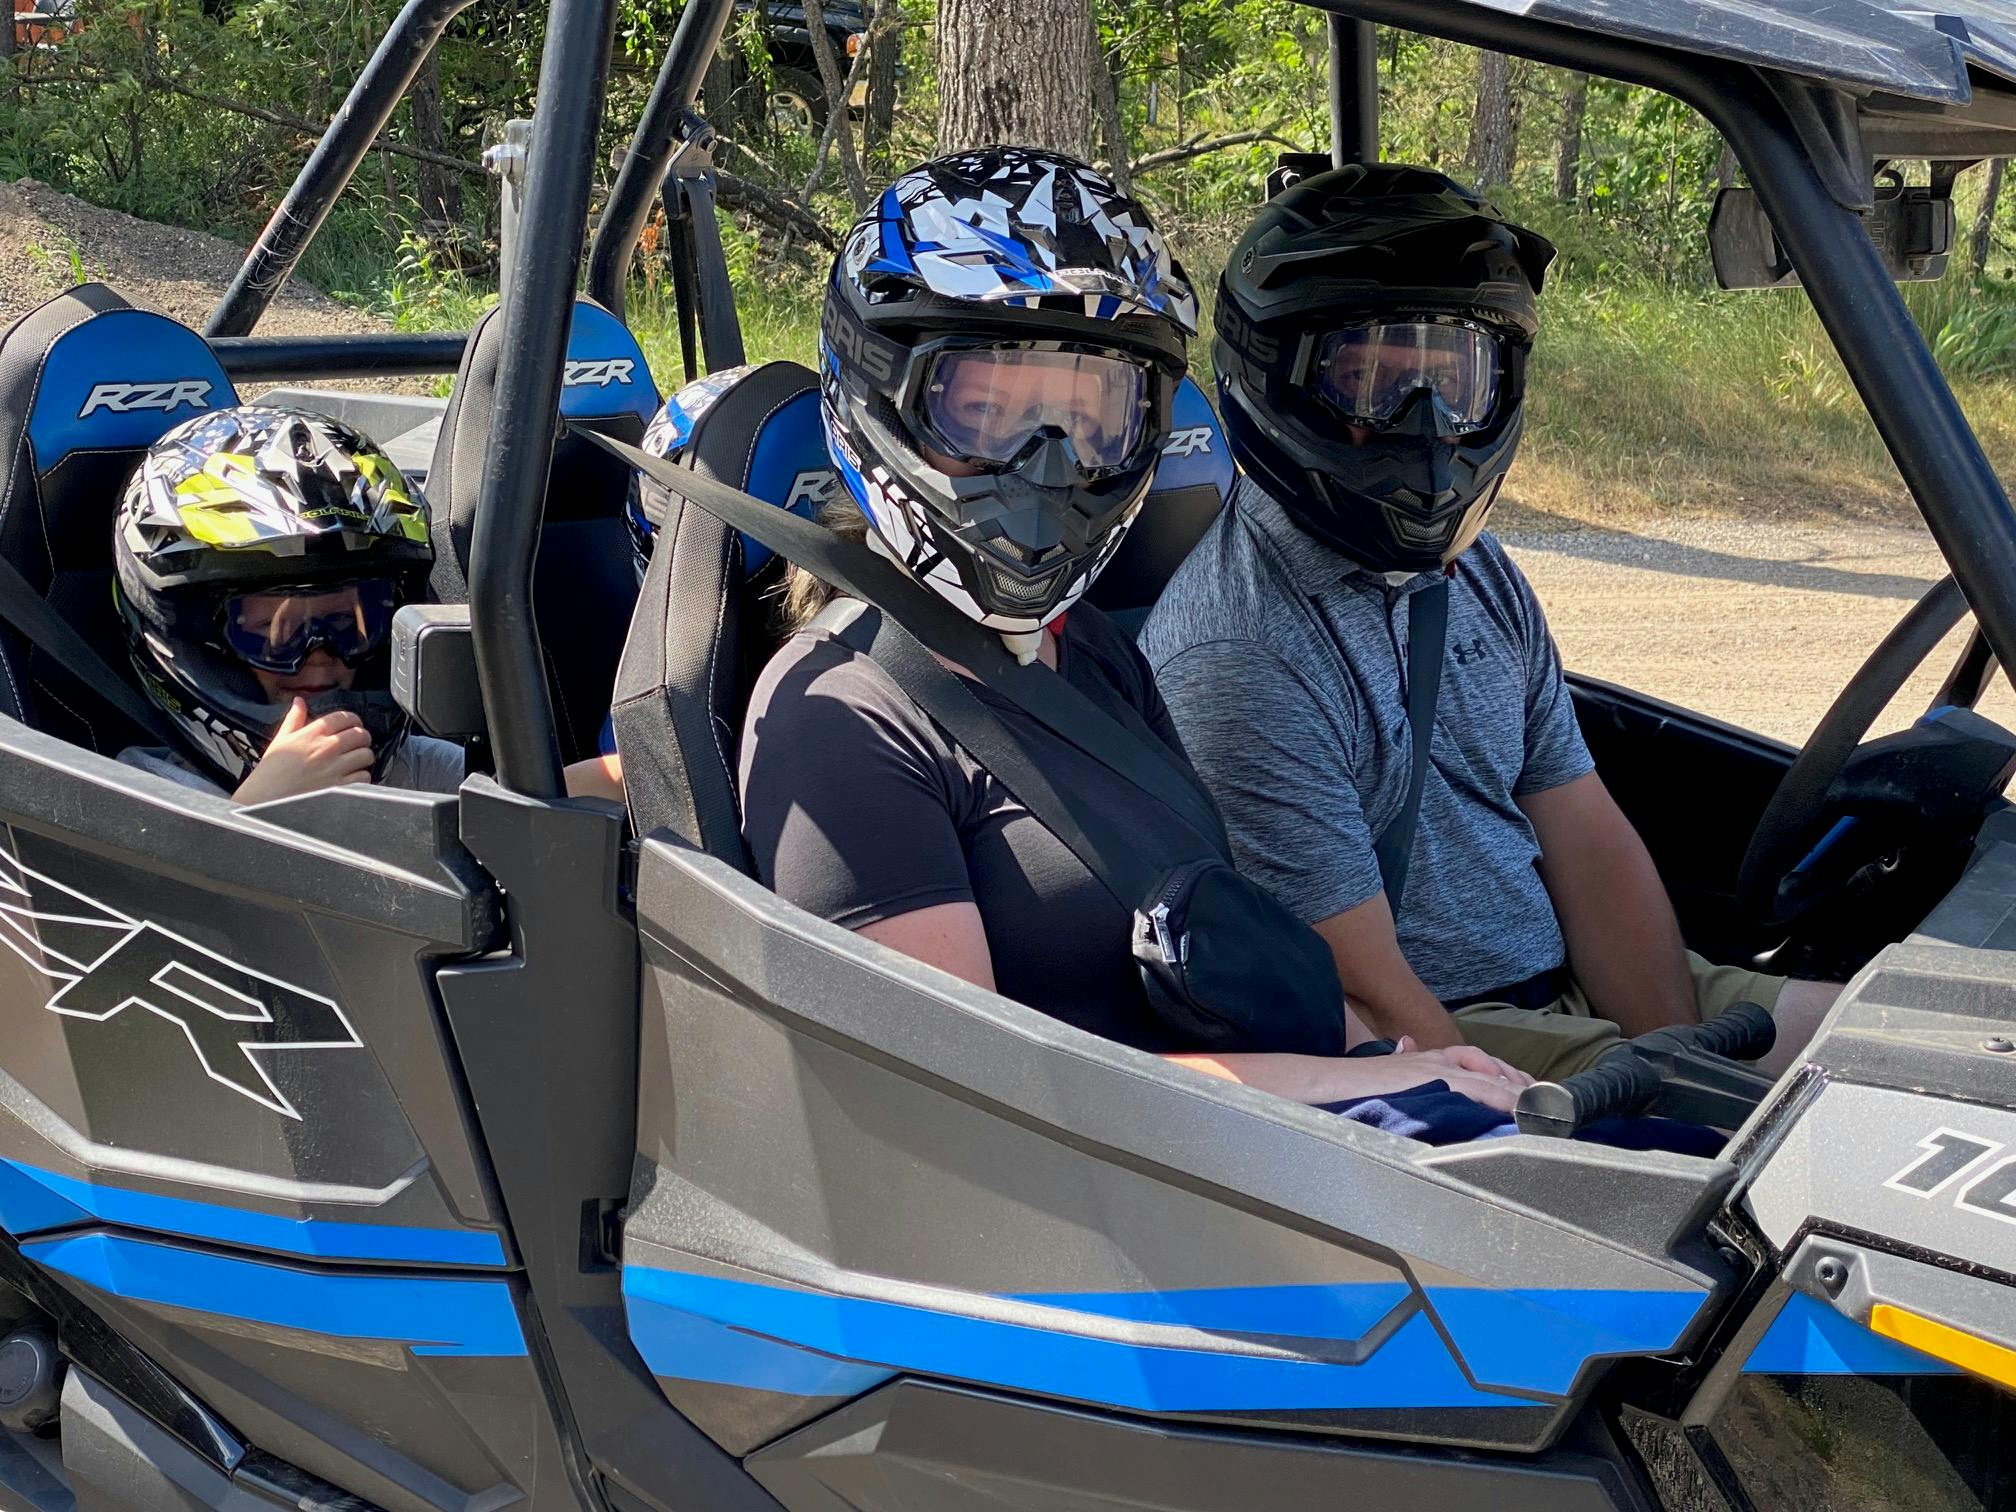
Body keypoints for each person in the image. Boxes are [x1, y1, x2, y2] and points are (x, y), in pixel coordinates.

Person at [732, 147, 1538, 1131]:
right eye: (990, 412)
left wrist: (1390, 1059)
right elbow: (960, 1103)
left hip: (1260, 1156)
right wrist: (1354, 1088)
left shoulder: (1087, 651)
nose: (1051, 466)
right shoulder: (843, 714)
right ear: (878, 390)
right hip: (1114, 1222)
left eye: (1094, 419)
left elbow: (1210, 944)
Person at [1139, 163, 1838, 1082]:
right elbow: (1375, 993)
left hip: (1576, 994)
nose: (1425, 425)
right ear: (1278, 382)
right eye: (1370, 384)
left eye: (1451, 383)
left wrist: (1674, 1046)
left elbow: (1584, 833)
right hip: (1462, 1038)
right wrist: (1672, 1098)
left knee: (1917, 1049)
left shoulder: (1478, 572)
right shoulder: (1239, 648)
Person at [113, 404, 619, 803]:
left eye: (349, 622)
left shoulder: (417, 768)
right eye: (274, 630)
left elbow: (526, 812)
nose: (319, 655)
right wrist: (261, 811)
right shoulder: (150, 786)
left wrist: (633, 769)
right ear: (194, 639)